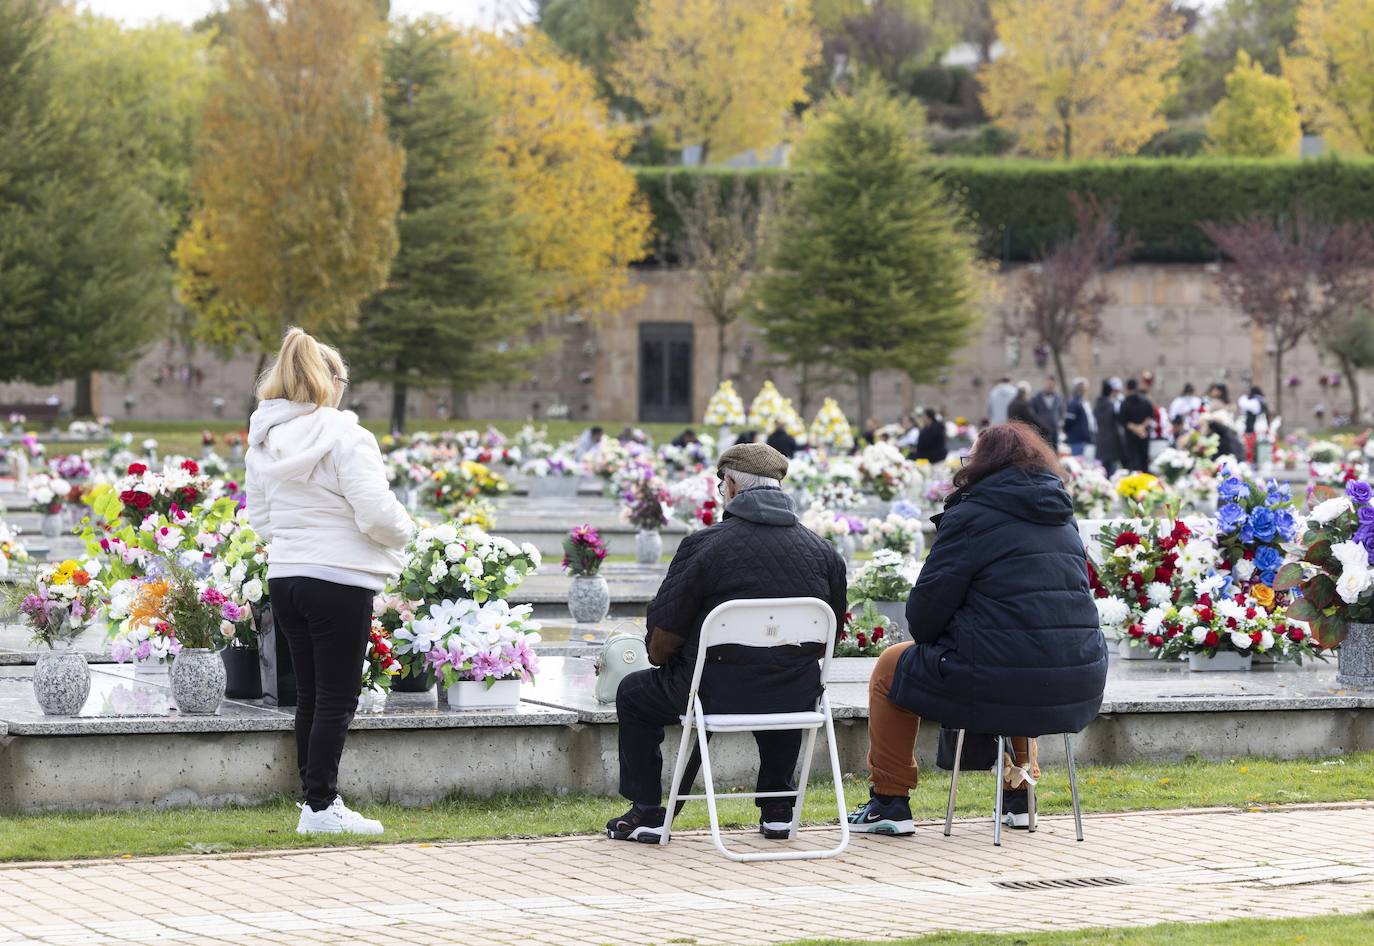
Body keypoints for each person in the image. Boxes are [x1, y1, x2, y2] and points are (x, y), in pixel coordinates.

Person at [846, 423, 1107, 835]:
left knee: (889, 669)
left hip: (997, 675)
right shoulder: (1062, 517)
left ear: (986, 465)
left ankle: (889, 801)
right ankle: (1019, 795)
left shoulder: (970, 516)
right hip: (1079, 677)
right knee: (1019, 653)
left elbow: (924, 618)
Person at [607, 443, 848, 842]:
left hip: (711, 691)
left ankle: (647, 811)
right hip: (794, 696)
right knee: (782, 670)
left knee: (634, 693)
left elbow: (665, 632)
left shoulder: (704, 547)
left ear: (732, 486)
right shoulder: (824, 553)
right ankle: (778, 807)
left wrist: (659, 659)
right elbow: (831, 632)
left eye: (722, 486)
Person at [246, 328, 414, 836]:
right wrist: (407, 531)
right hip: (338, 579)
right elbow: (377, 513)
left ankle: (314, 803)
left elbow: (260, 518)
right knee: (337, 698)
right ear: (330, 381)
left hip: (287, 577)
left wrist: (298, 541)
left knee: (312, 697)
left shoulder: (264, 437)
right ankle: (322, 808)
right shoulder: (347, 435)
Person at [1118, 378, 1155, 472]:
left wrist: (1136, 429)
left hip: (1131, 437)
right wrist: (1141, 428)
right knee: (1144, 462)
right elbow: (1151, 416)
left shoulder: (1124, 402)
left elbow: (1123, 421)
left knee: (1133, 463)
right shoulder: (1145, 400)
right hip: (1144, 435)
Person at [1093, 378, 1125, 475]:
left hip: (1101, 441)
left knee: (1102, 471)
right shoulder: (1113, 405)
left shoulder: (1098, 404)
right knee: (1112, 471)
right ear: (1111, 392)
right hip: (1112, 443)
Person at [1007, 382, 1052, 448]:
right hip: (1023, 436)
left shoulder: (1011, 404)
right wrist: (1046, 429)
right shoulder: (1023, 405)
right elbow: (1033, 419)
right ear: (1025, 393)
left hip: (1013, 434)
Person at [1062, 378, 1095, 456]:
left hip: (1085, 439)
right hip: (1077, 440)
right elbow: (1068, 421)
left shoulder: (1084, 402)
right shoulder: (1074, 403)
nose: (1083, 389)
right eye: (1080, 386)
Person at [1031, 376, 1064, 446]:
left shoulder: (1058, 397)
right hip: (1041, 430)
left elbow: (1061, 411)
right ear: (1045, 384)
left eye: (1052, 385)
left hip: (1054, 430)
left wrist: (1060, 422)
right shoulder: (1036, 397)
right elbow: (1032, 413)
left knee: (1054, 451)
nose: (1050, 387)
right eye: (1049, 385)